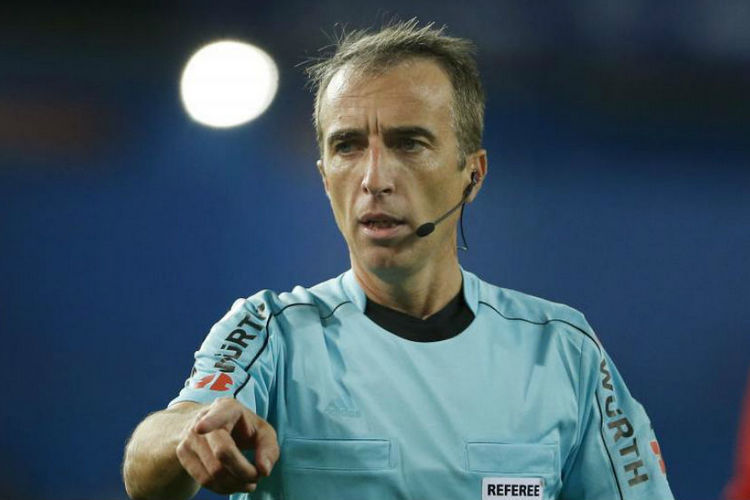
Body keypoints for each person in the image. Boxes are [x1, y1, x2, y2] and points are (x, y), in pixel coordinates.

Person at [122, 20, 675, 500]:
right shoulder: (271, 333)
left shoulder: (564, 353)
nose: (374, 178)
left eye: (409, 143)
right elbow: (147, 467)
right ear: (325, 178)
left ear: (472, 174)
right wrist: (190, 432)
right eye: (347, 146)